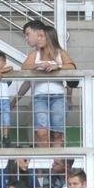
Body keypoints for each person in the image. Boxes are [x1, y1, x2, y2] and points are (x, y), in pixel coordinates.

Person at [21, 19, 76, 148]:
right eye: (38, 36)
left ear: (49, 38)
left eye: (41, 36)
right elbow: (24, 67)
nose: (38, 39)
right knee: (41, 132)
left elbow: (72, 67)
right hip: (39, 97)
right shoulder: (35, 54)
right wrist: (38, 65)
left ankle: (55, 163)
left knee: (57, 133)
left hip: (58, 97)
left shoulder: (60, 53)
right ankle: (44, 164)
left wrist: (58, 66)